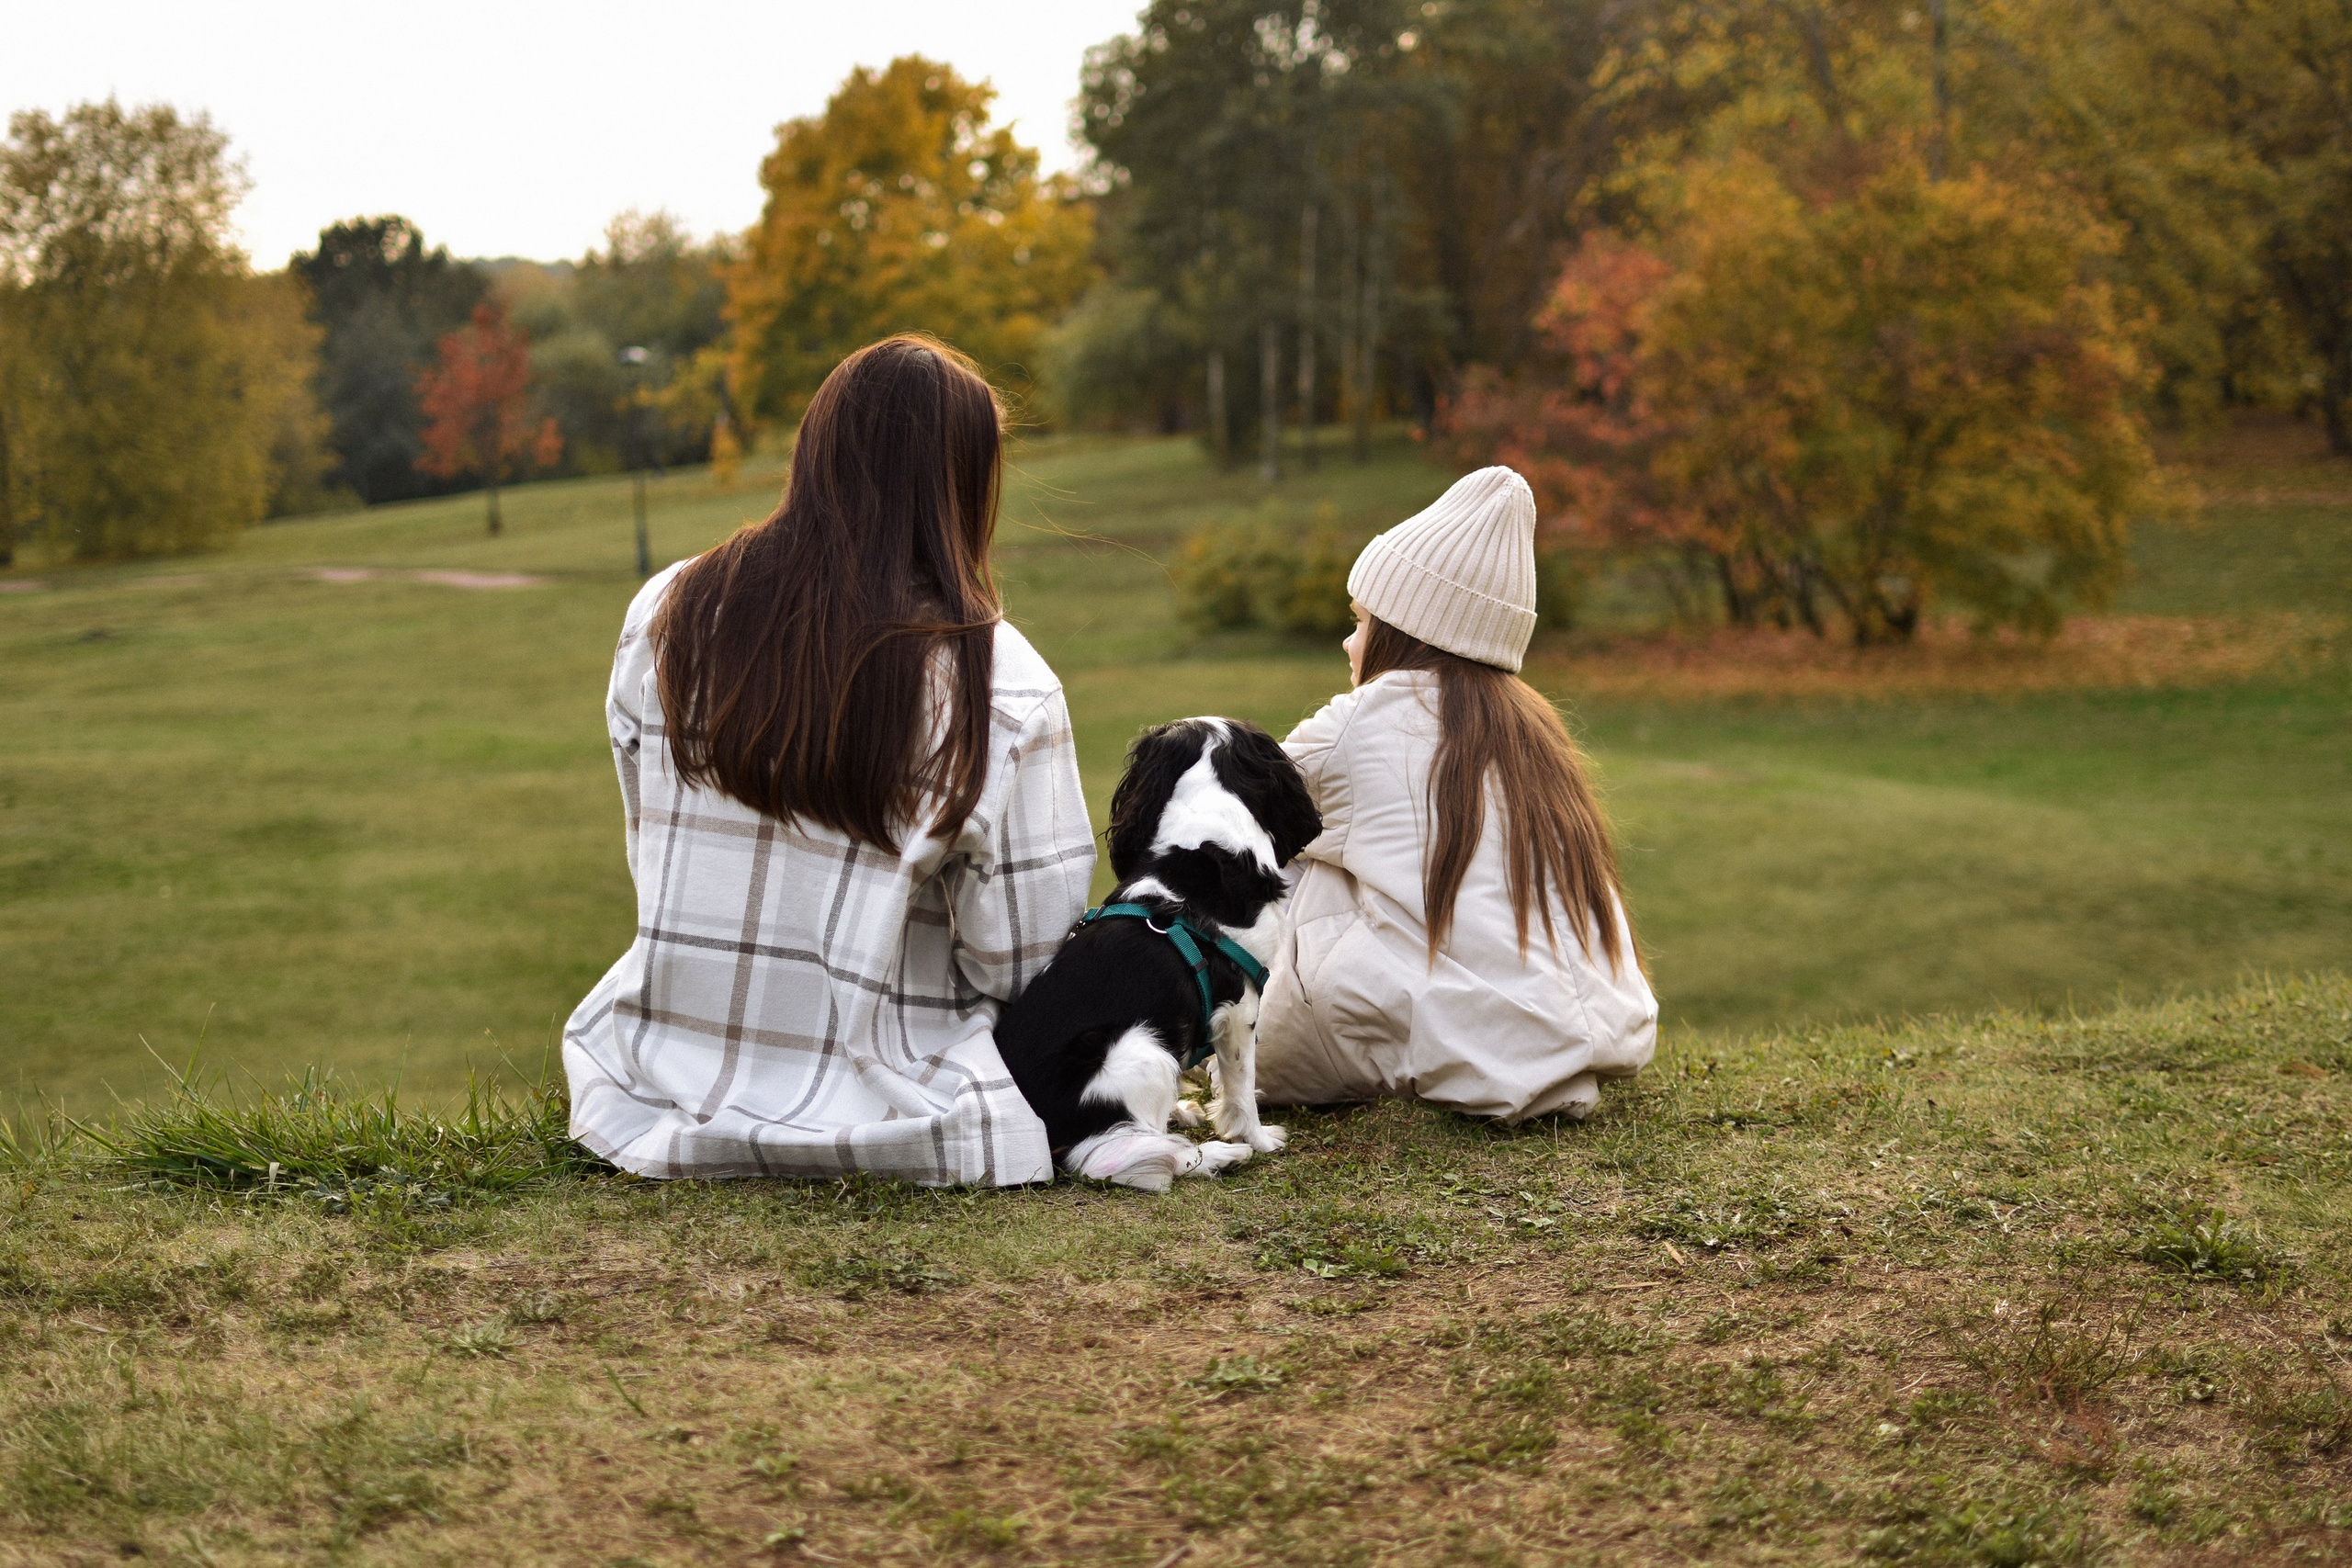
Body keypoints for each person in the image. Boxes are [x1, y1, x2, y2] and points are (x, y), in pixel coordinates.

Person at [563, 337, 1093, 1184]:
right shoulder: (1002, 681)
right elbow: (1022, 959)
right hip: (901, 1112)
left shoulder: (667, 611)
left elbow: (652, 842)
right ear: (965, 483)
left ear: (817, 449)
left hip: (654, 1081)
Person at [1253, 466, 1657, 1122]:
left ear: (1405, 631)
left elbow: (1240, 818)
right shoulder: (1533, 728)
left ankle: (1226, 1045)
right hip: (1599, 1032)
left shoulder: (1362, 721)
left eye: (1361, 621)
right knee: (1356, 848)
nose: (1349, 641)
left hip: (1470, 1045)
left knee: (1292, 859)